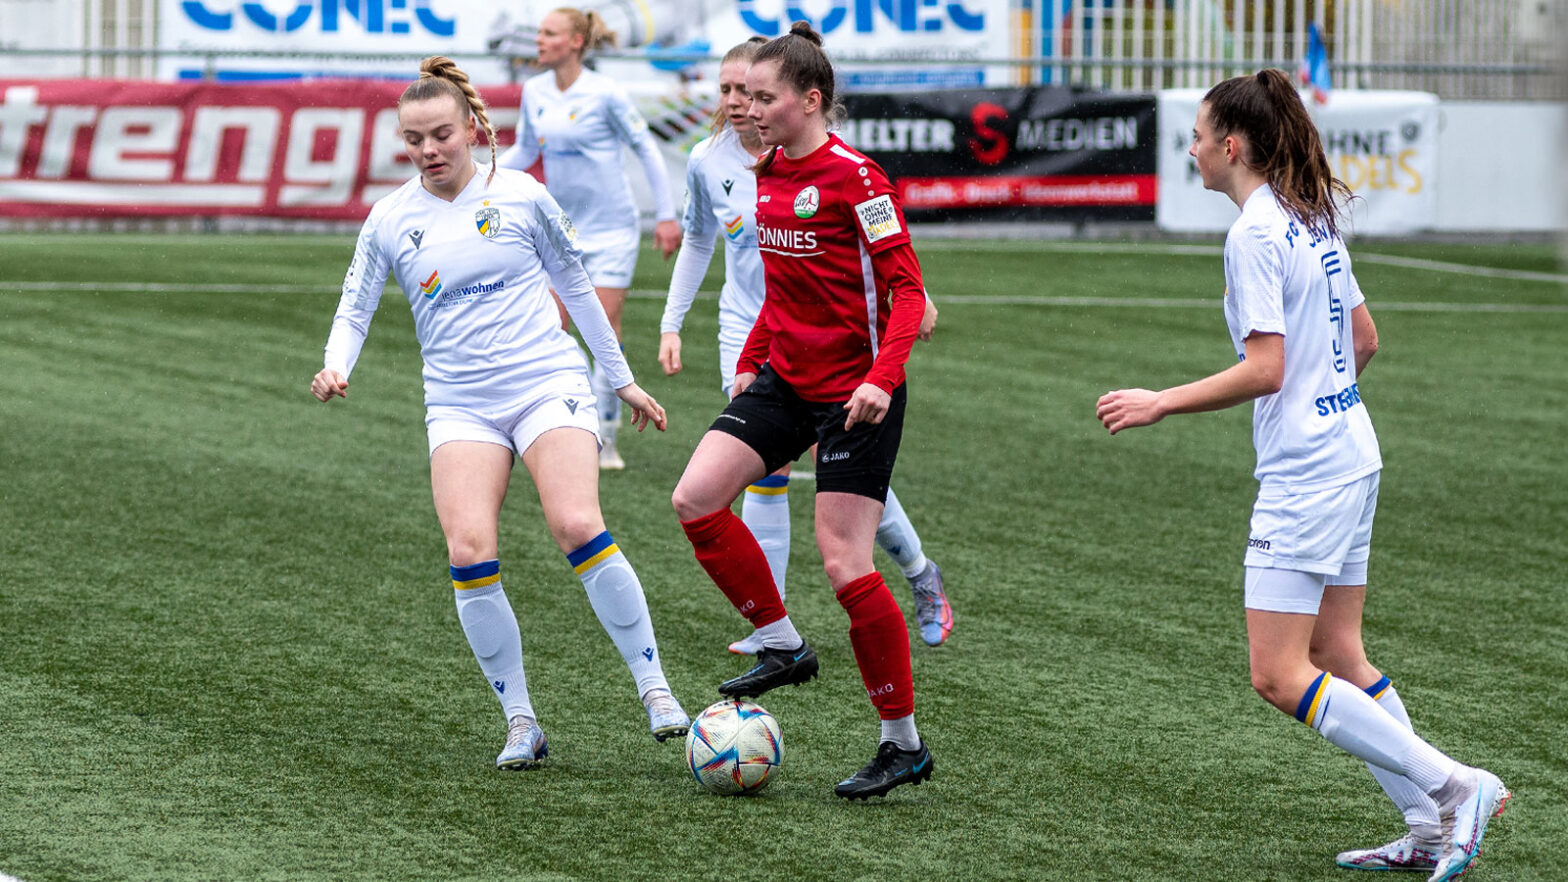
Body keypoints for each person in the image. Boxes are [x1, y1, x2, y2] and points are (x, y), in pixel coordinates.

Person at [1096, 69, 1507, 881]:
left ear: (1233, 145)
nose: (1193, 148)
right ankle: (1427, 829)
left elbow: (1266, 368)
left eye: (1200, 134)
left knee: (1278, 673)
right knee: (1340, 653)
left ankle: (1457, 787)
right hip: (1354, 451)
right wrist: (1329, 406)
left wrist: (1161, 402)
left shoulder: (1252, 231)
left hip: (1311, 473)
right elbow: (1366, 338)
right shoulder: (1308, 215)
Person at [311, 56, 689, 771]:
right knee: (468, 550)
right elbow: (354, 306)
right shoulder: (390, 218)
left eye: (441, 135)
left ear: (474, 129)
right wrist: (338, 365)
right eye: (414, 138)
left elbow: (576, 287)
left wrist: (624, 381)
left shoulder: (520, 195)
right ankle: (521, 720)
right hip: (459, 402)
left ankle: (656, 689)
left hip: (546, 381)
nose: (428, 150)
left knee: (576, 522)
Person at [669, 22, 933, 801]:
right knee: (694, 499)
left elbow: (909, 292)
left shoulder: (859, 179)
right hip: (785, 377)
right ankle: (784, 645)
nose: (746, 107)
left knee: (845, 561)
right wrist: (754, 356)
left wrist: (883, 379)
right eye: (742, 95)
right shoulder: (766, 170)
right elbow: (784, 286)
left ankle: (902, 745)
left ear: (808, 100)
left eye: (761, 96)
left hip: (857, 392)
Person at [497, 6, 683, 471]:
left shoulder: (606, 94)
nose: (538, 41)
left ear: (576, 41)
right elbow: (524, 148)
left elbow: (646, 150)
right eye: (538, 32)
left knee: (604, 329)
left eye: (549, 33)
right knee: (550, 327)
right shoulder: (535, 91)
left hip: (614, 229)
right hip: (562, 228)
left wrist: (665, 215)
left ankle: (606, 434)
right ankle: (557, 418)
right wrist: (484, 179)